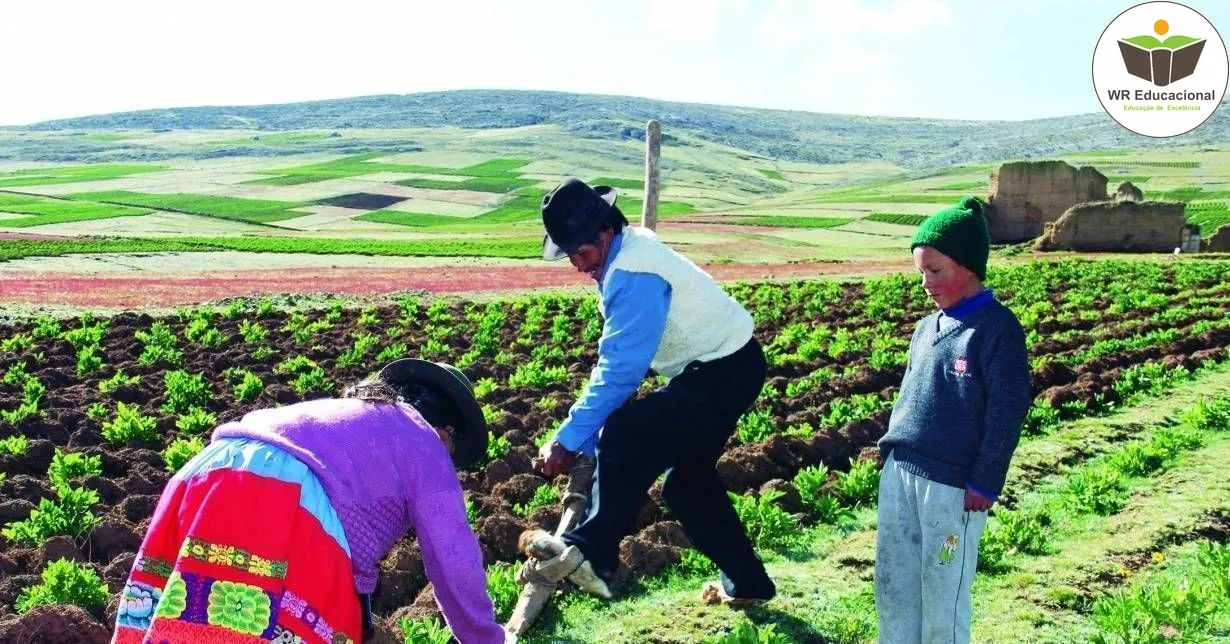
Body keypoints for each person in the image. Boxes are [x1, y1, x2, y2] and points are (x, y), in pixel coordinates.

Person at [111, 358, 514, 644]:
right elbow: (453, 560)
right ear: (446, 431)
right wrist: (486, 639)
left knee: (190, 620)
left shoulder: (356, 416)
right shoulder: (426, 443)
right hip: (280, 493)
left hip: (204, 472)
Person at [530, 178, 776, 606]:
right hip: (720, 369)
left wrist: (569, 439)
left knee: (628, 430)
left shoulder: (633, 274)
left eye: (582, 253)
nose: (578, 266)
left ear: (605, 232)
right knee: (685, 485)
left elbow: (621, 370)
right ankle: (749, 585)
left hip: (722, 370)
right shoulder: (628, 251)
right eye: (570, 256)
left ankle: (592, 552)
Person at [874, 196, 1032, 644]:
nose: (926, 283)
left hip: (952, 489)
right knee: (894, 586)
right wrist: (890, 452)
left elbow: (1008, 408)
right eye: (921, 272)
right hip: (901, 475)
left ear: (969, 265)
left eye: (935, 271)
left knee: (943, 592)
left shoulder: (997, 330)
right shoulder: (927, 328)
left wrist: (986, 480)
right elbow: (909, 397)